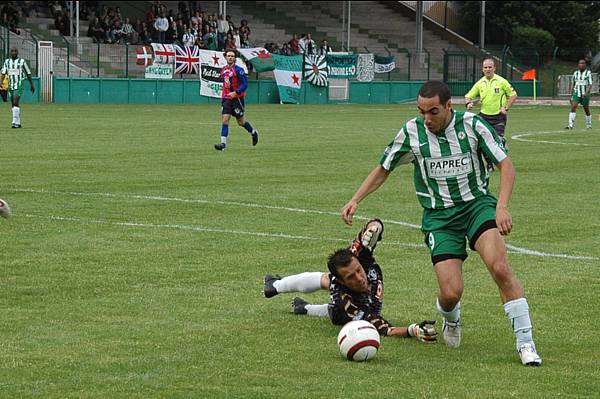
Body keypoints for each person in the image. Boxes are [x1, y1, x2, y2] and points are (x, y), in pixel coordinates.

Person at [340, 80, 542, 366]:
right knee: (451, 292)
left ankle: (526, 343)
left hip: (476, 207)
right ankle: (451, 318)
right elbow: (384, 168)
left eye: (433, 111)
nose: (427, 119)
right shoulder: (411, 132)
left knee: (499, 267)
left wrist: (501, 207)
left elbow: (506, 165)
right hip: (439, 217)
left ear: (449, 106)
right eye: (422, 112)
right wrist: (355, 199)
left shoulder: (472, 125)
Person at [264, 219, 437, 342]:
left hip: (353, 290)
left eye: (358, 271)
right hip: (348, 310)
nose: (360, 278)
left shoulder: (357, 254)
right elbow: (385, 329)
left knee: (326, 278)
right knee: (337, 312)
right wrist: (411, 330)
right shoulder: (346, 303)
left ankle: (281, 291)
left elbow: (374, 223)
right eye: (350, 277)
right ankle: (294, 299)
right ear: (341, 282)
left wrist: (374, 229)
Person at [464, 58, 517, 149]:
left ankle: (502, 144)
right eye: (485, 67)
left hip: (499, 116)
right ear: (482, 69)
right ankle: (489, 163)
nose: (488, 69)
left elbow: (513, 95)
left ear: (494, 68)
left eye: (490, 67)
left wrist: (506, 108)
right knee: (481, 141)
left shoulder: (501, 81)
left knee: (497, 141)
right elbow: (468, 96)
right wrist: (468, 103)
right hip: (483, 116)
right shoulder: (480, 83)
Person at [214, 49, 259, 151]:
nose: (230, 57)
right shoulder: (223, 70)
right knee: (225, 120)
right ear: (225, 57)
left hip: (237, 99)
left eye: (232, 56)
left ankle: (253, 132)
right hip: (226, 99)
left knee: (241, 122)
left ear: (235, 58)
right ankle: (223, 144)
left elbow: (245, 84)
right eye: (228, 56)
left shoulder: (239, 70)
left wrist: (236, 92)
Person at [0, 47, 35, 129]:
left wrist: (32, 85)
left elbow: (28, 73)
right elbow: (3, 73)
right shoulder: (7, 62)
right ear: (10, 53)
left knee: (15, 101)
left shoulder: (22, 62)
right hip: (10, 85)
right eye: (12, 51)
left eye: (15, 51)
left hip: (19, 84)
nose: (14, 52)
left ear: (17, 53)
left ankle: (14, 122)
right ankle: (18, 123)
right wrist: (0, 82)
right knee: (13, 103)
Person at [566, 59, 593, 130]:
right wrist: (571, 95)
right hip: (576, 93)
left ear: (585, 65)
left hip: (585, 94)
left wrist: (586, 93)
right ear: (578, 65)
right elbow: (573, 84)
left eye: (582, 63)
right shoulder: (575, 73)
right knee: (573, 107)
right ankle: (570, 125)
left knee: (586, 109)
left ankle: (589, 124)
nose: (581, 65)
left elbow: (590, 85)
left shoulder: (588, 73)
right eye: (580, 63)